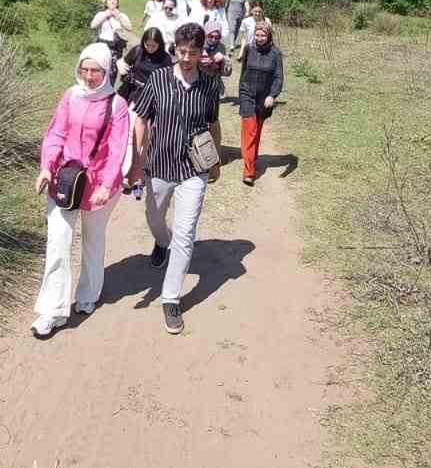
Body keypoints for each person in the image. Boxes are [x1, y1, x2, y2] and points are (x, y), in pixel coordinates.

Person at [32, 43, 131, 338]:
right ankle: (52, 310)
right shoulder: (70, 96)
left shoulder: (116, 105)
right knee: (58, 244)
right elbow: (56, 133)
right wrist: (47, 166)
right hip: (65, 180)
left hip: (99, 185)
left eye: (96, 70)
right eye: (85, 69)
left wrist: (105, 184)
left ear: (106, 71)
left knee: (93, 240)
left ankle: (88, 294)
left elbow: (117, 149)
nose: (89, 76)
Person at [129, 22, 223, 335]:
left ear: (201, 53)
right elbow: (140, 118)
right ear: (175, 49)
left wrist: (216, 161)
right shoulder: (157, 79)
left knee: (185, 233)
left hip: (192, 169)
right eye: (182, 51)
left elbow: (213, 124)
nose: (186, 58)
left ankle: (171, 298)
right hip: (158, 165)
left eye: (193, 52)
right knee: (154, 219)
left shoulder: (210, 85)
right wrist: (137, 160)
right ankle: (160, 241)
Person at [236, 19, 284, 186]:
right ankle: (248, 171)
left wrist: (272, 95)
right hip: (247, 94)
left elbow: (278, 77)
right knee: (250, 131)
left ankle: (252, 157)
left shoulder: (276, 54)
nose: (259, 37)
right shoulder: (249, 49)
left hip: (264, 98)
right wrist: (241, 95)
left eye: (262, 35)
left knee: (256, 131)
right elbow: (243, 74)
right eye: (257, 34)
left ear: (268, 35)